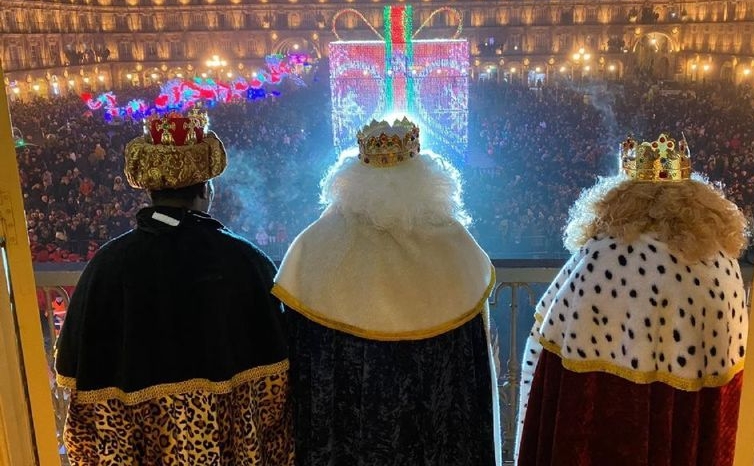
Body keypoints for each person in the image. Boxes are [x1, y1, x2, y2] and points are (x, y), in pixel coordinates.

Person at [56, 109, 293, 464]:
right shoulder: (245, 261)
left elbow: (78, 392)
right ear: (206, 190)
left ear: (150, 191)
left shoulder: (105, 266)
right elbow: (278, 395)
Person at [273, 117, 500, 465]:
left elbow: (305, 375)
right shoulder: (454, 246)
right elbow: (472, 381)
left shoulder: (316, 245)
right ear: (425, 177)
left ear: (351, 179)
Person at [516, 133, 749, 466]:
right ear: (698, 202)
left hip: (604, 431)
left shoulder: (599, 257)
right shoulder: (720, 262)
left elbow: (546, 354)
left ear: (620, 197)